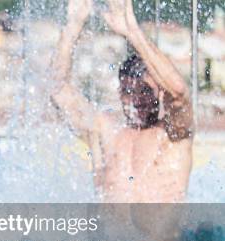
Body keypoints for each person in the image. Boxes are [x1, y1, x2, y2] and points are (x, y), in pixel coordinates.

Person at [51, 0, 193, 203]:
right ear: (120, 93)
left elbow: (179, 92)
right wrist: (73, 25)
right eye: (129, 91)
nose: (137, 99)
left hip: (160, 237)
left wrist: (131, 31)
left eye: (145, 90)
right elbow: (57, 91)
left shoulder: (174, 134)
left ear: (160, 92)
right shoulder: (105, 132)